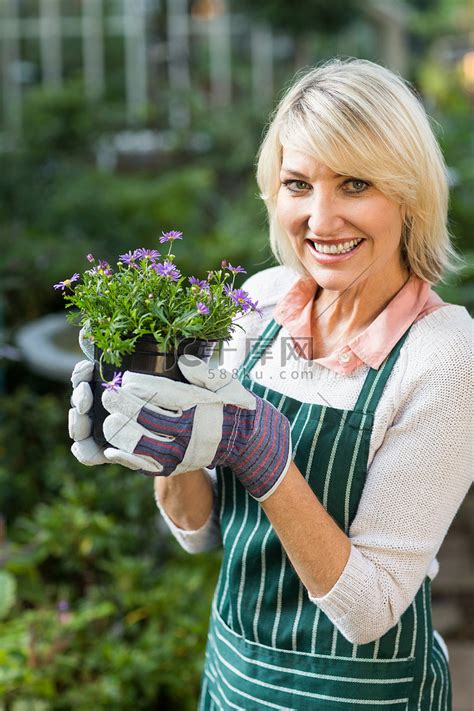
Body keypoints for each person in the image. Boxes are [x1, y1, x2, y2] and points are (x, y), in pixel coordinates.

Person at [69, 58, 472, 710]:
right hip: (236, 678)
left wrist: (267, 461)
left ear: (410, 195)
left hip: (363, 693)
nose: (321, 217)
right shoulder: (258, 304)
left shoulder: (443, 354)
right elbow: (200, 529)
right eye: (297, 184)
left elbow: (369, 610)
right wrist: (163, 448)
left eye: (354, 183)